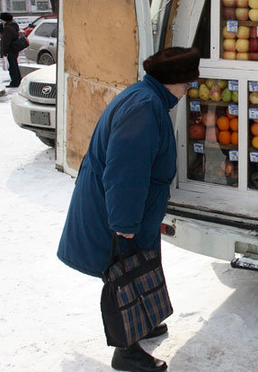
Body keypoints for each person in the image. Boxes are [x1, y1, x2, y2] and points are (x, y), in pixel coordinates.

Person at [57, 46, 200, 372]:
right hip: (119, 211)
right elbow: (126, 170)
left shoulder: (147, 97)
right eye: (187, 85)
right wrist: (124, 221)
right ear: (172, 82)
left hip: (134, 207)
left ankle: (144, 322)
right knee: (124, 275)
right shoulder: (144, 108)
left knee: (141, 267)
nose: (187, 91)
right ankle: (126, 351)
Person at [0, 12, 22, 88]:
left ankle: (14, 82)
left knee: (12, 67)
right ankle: (17, 80)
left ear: (5, 20)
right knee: (14, 65)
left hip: (10, 50)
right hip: (14, 49)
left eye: (2, 20)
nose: (1, 21)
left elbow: (6, 41)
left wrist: (4, 52)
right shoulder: (13, 26)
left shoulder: (8, 28)